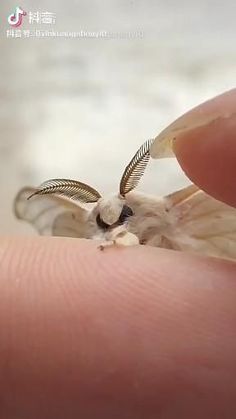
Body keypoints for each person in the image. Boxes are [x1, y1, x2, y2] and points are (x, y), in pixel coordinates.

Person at [0, 89, 236, 419]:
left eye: (119, 220)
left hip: (212, 286)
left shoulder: (179, 210)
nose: (111, 226)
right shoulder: (107, 242)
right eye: (102, 222)